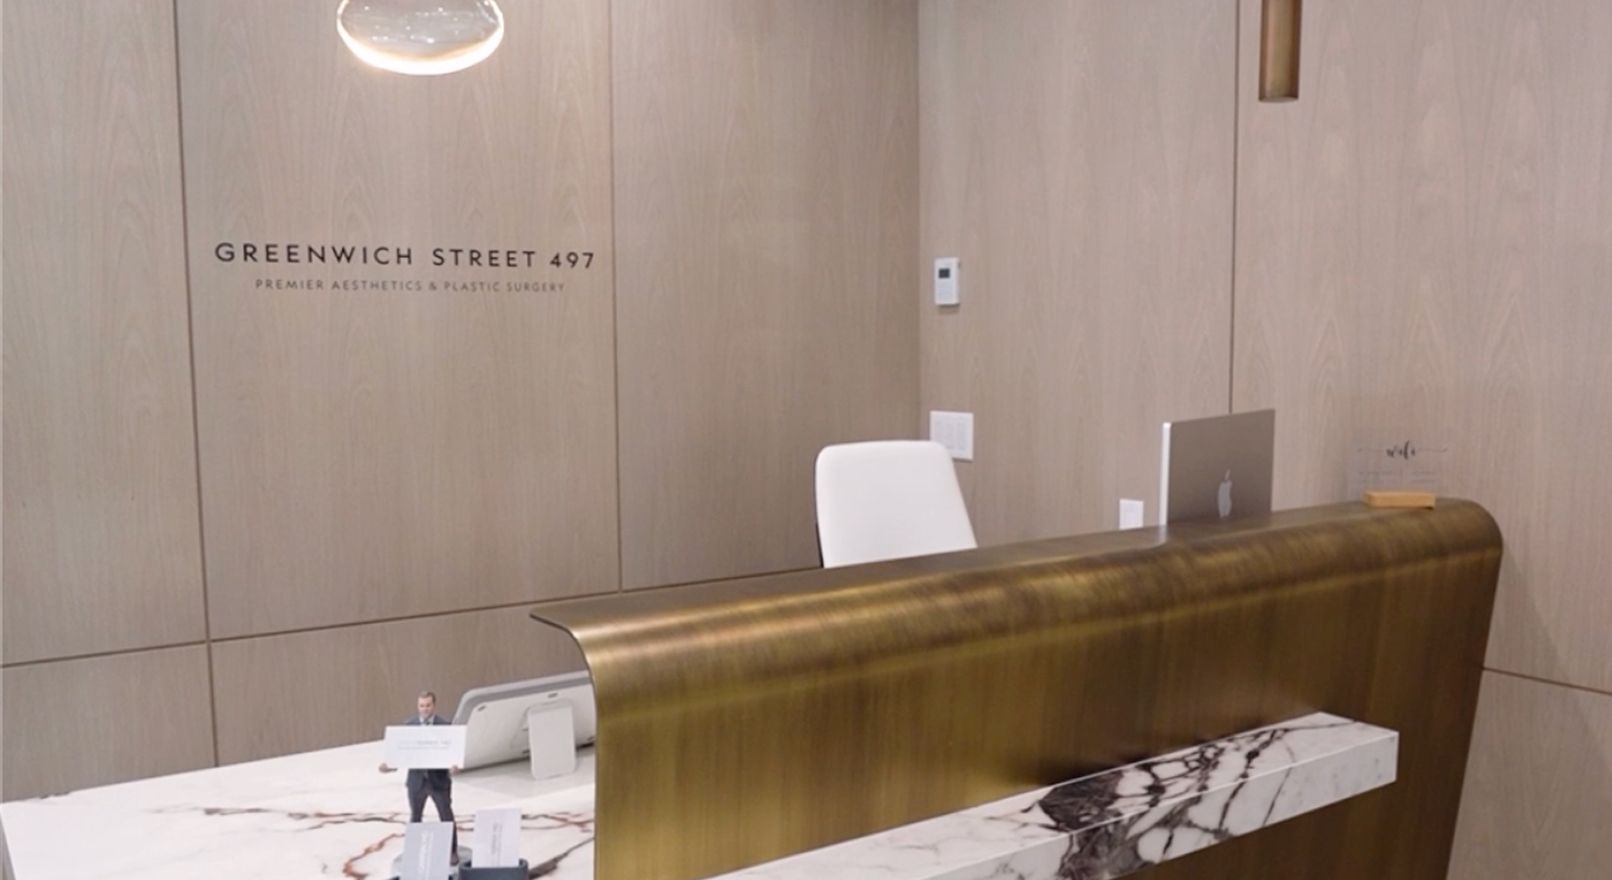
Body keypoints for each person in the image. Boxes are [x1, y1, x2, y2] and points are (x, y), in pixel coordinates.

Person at [379, 691, 460, 862]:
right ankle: (413, 851)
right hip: (416, 781)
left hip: (438, 780)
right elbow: (403, 753)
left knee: (446, 817)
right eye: (421, 705)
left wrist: (454, 764)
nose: (424, 709)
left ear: (434, 705)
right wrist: (389, 765)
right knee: (415, 817)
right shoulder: (409, 725)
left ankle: (452, 851)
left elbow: (452, 751)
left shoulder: (445, 725)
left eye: (428, 705)